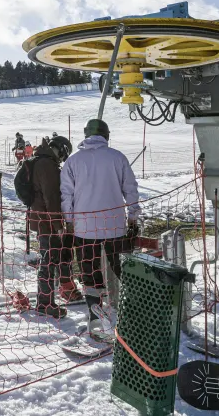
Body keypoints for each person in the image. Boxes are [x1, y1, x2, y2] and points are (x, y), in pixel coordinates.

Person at [60, 119, 139, 328]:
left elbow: (66, 195)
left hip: (84, 228)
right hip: (115, 226)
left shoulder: (73, 161)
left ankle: (95, 312)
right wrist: (133, 216)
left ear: (86, 135)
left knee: (88, 269)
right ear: (106, 135)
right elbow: (130, 189)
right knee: (121, 267)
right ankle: (129, 310)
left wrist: (69, 221)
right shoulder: (117, 158)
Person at [28, 136, 80, 318]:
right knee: (48, 260)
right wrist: (58, 225)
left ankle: (49, 298)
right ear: (61, 150)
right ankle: (45, 303)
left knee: (50, 258)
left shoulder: (41, 160)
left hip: (43, 218)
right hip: (47, 221)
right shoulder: (47, 165)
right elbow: (51, 197)